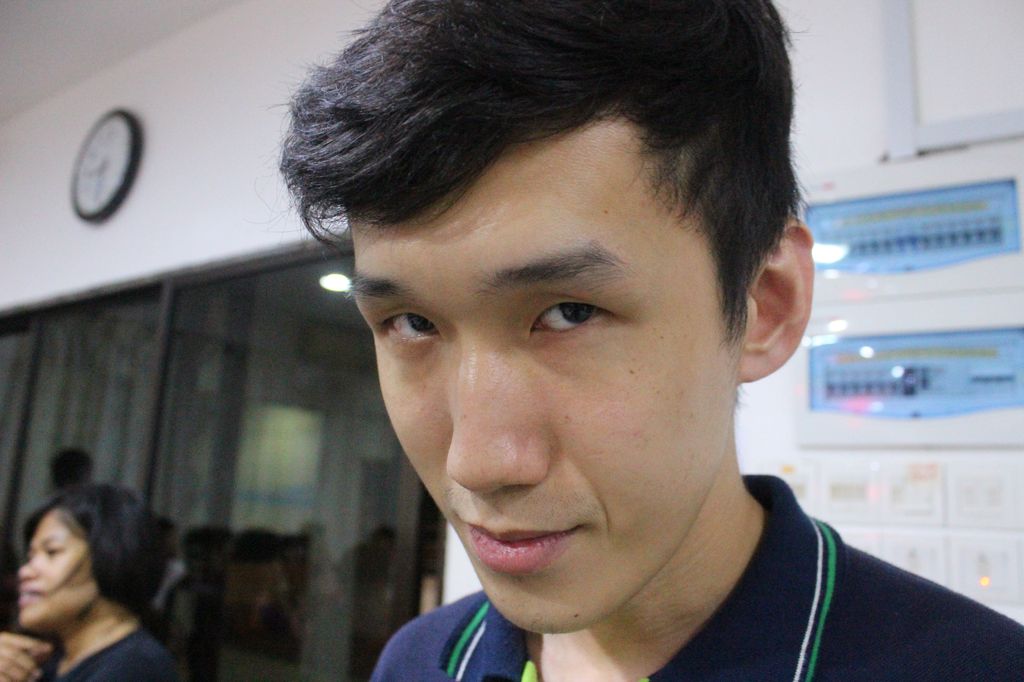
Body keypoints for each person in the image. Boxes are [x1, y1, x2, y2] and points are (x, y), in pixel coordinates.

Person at [280, 1, 1024, 680]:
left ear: (765, 305)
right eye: (411, 324)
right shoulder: (421, 662)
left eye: (569, 312)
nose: (476, 463)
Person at [0, 484, 178, 681]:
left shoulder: (134, 669)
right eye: (31, 557)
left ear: (110, 557)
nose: (25, 572)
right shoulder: (53, 665)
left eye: (52, 552)